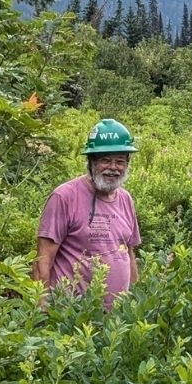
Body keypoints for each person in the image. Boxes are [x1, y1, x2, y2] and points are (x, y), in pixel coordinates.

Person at [32, 118, 141, 309]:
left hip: (115, 323)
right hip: (71, 315)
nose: (113, 168)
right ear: (90, 161)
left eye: (120, 161)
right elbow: (43, 261)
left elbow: (129, 253)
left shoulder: (125, 199)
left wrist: (135, 305)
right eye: (105, 160)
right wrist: (40, 312)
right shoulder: (64, 197)